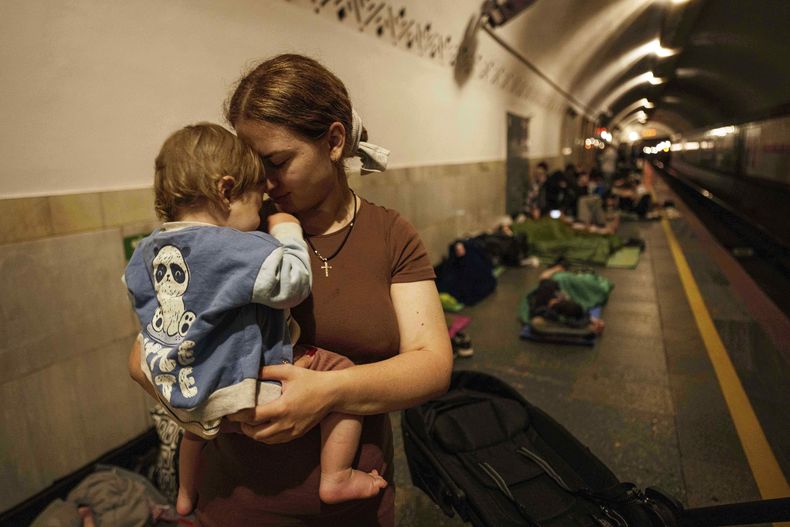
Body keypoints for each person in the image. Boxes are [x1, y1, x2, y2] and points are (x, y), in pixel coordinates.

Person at [128, 54, 453, 526]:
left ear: (335, 142)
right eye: (253, 165)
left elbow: (432, 365)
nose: (262, 183)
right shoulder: (230, 228)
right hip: (235, 503)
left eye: (278, 162)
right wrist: (210, 404)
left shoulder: (389, 234)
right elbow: (143, 358)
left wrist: (327, 392)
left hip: (349, 507)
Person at [124, 123, 387, 516]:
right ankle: (337, 477)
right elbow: (292, 284)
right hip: (245, 384)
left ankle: (184, 495)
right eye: (256, 198)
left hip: (182, 387)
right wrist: (287, 232)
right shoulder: (235, 247)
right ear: (226, 191)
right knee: (340, 375)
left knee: (194, 431)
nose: (263, 206)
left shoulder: (146, 251)